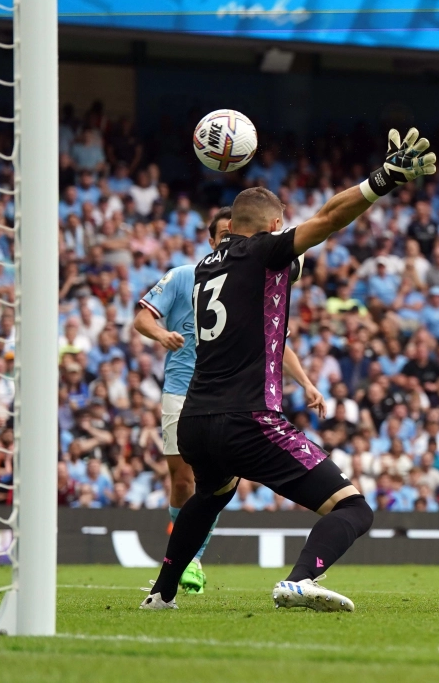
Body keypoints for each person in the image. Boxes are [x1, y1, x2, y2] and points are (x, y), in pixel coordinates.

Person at [140, 127, 437, 611]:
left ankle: (161, 594)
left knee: (211, 494)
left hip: (196, 419)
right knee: (353, 507)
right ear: (274, 225)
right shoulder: (264, 252)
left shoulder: (201, 270)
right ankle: (300, 580)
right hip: (248, 418)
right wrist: (382, 180)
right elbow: (329, 217)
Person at [134, 207, 325, 594]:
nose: (228, 243)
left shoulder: (251, 276)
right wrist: (161, 335)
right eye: (221, 238)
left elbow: (276, 341)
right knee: (183, 478)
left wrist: (306, 382)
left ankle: (192, 561)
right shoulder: (186, 275)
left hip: (229, 394)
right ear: (210, 241)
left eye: (232, 235)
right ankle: (185, 562)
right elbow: (141, 318)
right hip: (182, 385)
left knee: (218, 481)